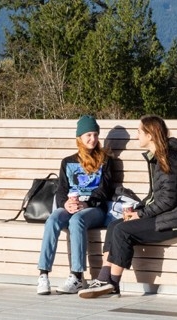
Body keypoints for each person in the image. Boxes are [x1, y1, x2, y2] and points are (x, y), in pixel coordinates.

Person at [79, 115, 177, 299]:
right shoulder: (158, 157)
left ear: (150, 135)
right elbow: (155, 196)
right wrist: (137, 210)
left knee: (122, 231)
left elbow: (169, 200)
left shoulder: (168, 159)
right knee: (114, 225)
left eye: (139, 132)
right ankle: (104, 278)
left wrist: (141, 214)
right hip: (166, 215)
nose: (137, 136)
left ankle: (113, 284)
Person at [36, 115, 123, 295]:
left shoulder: (105, 161)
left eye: (95, 135)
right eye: (88, 135)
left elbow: (104, 191)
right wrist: (65, 203)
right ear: (80, 138)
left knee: (77, 221)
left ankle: (77, 276)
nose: (93, 139)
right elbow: (61, 190)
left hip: (94, 208)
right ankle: (43, 274)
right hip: (71, 205)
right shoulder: (67, 162)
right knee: (53, 219)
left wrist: (86, 203)